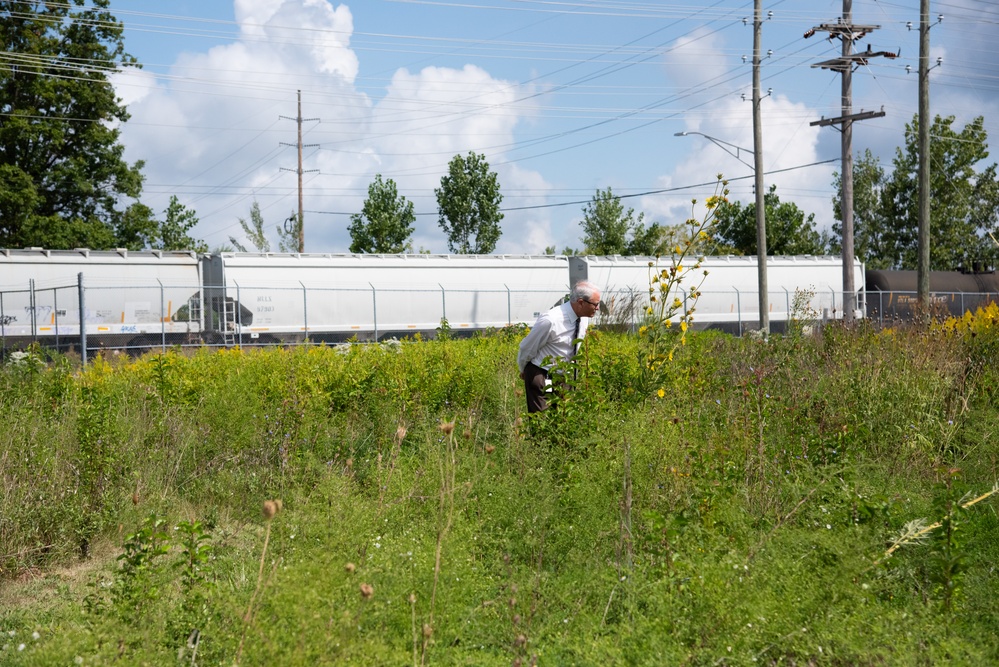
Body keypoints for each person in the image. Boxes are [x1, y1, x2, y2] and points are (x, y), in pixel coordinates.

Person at [517, 280, 601, 413]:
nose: (597, 308)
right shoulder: (551, 320)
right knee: (543, 421)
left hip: (564, 376)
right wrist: (524, 370)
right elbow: (527, 347)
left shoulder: (583, 318)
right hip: (544, 374)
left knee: (562, 420)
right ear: (581, 302)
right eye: (596, 304)